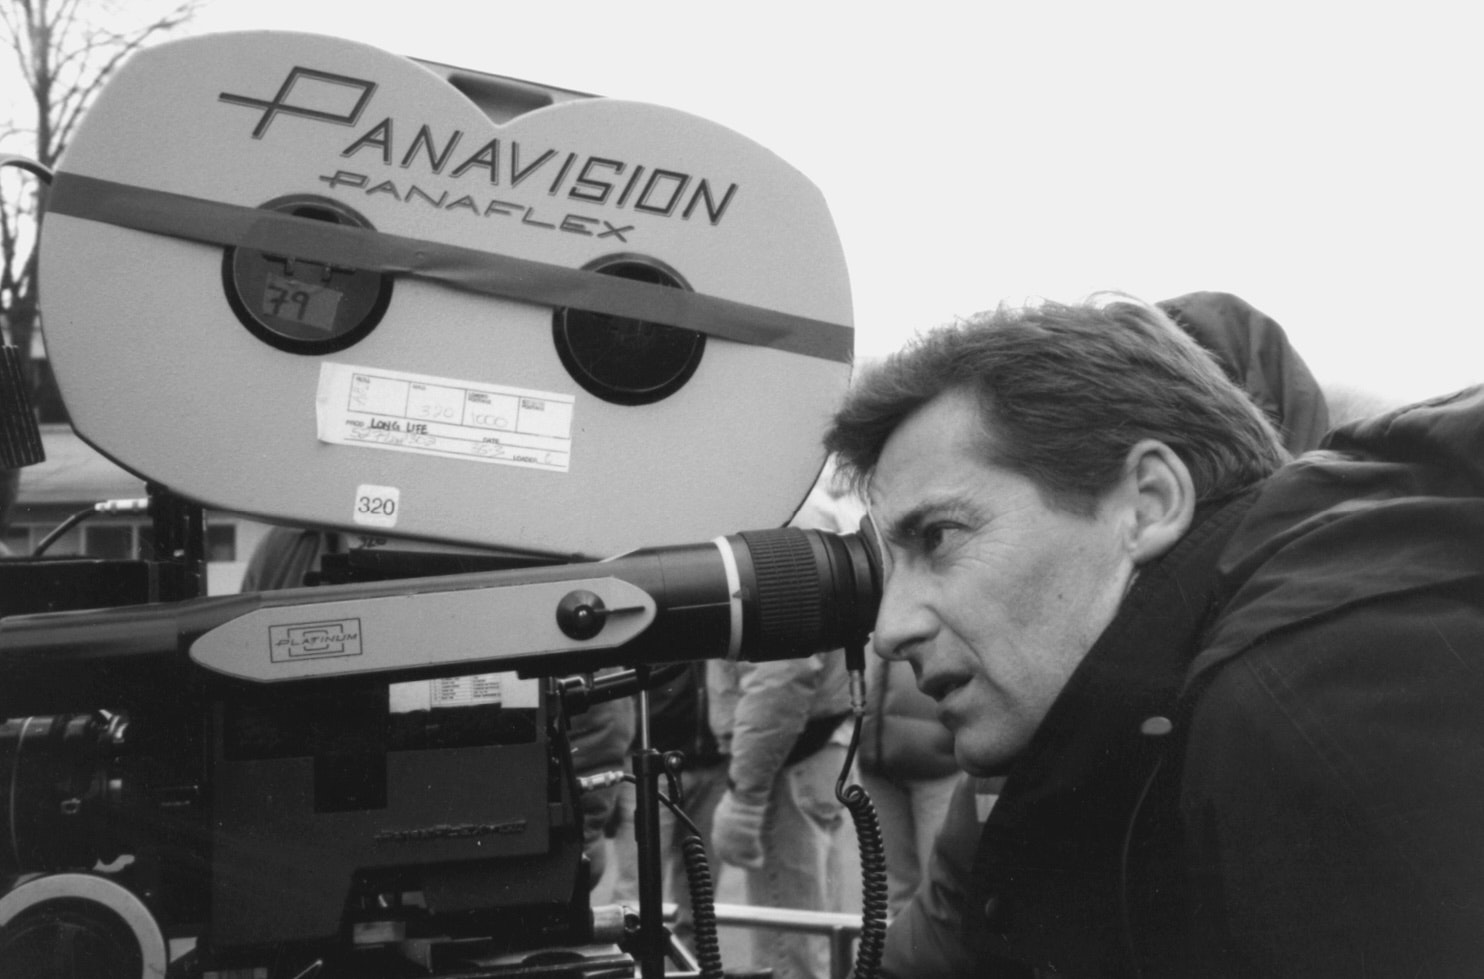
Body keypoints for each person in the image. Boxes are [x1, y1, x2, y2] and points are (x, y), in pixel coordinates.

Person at [823, 294, 1484, 977]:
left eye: (938, 537)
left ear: (1148, 504)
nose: (889, 630)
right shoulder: (1135, 720)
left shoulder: (1307, 697)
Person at [239, 526, 634, 887]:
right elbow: (243, 696)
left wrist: (574, 833)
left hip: (497, 857)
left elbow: (598, 711)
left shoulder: (497, 531)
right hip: (331, 854)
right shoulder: (284, 547)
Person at [708, 480, 860, 979]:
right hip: (810, 752)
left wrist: (747, 793)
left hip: (786, 762)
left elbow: (781, 676)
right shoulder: (804, 511)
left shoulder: (778, 520)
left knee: (791, 953)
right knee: (812, 941)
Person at [607, 659, 730, 950]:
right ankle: (630, 966)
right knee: (637, 893)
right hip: (651, 764)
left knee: (700, 897)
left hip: (713, 762)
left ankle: (698, 966)